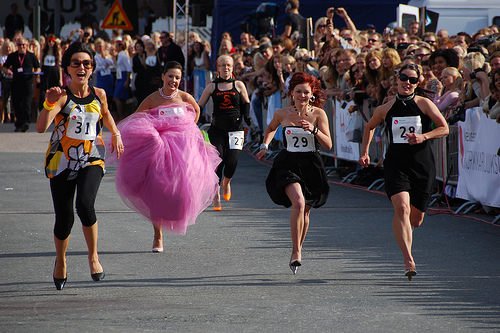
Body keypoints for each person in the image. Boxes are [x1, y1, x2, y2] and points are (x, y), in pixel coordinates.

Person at [35, 41, 124, 290]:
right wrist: (48, 103)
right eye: (76, 63)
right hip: (61, 161)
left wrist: (115, 133)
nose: (81, 67)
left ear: (92, 68)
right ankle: (61, 261)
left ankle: (93, 256)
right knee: (64, 220)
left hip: (91, 157)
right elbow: (41, 127)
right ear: (68, 69)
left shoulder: (100, 94)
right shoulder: (62, 97)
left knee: (85, 205)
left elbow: (105, 114)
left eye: (86, 63)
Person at [109, 61, 221, 253]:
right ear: (163, 77)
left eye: (177, 78)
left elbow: (196, 111)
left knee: (181, 191)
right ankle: (157, 235)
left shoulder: (185, 97)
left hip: (182, 154)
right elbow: (136, 119)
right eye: (170, 76)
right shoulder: (152, 99)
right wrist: (154, 134)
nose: (174, 81)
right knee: (157, 192)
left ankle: (174, 216)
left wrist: (187, 129)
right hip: (159, 153)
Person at [358, 63, 449, 280]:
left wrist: (424, 136)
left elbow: (444, 127)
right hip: (396, 164)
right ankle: (408, 259)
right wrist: (365, 152)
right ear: (396, 79)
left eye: (413, 80)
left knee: (415, 220)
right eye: (404, 78)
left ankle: (406, 238)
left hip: (422, 165)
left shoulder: (424, 104)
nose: (407, 83)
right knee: (401, 209)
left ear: (418, 83)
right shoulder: (387, 108)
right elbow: (369, 127)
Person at [256, 72, 331, 274]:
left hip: (311, 164)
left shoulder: (318, 114)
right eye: (298, 91)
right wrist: (265, 145)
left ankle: (299, 247)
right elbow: (271, 128)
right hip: (288, 162)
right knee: (298, 202)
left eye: (306, 92)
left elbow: (329, 144)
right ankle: (296, 251)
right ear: (291, 93)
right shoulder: (282, 113)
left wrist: (314, 131)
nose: (302, 95)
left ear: (312, 94)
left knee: (305, 210)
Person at [198, 55, 251, 211]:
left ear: (232, 68)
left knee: (232, 161)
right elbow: (199, 106)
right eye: (222, 65)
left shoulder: (239, 85)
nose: (226, 68)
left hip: (236, 129)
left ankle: (226, 182)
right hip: (217, 129)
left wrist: (247, 117)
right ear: (218, 68)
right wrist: (193, 120)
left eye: (228, 65)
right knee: (218, 161)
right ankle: (216, 195)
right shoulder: (212, 87)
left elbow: (246, 103)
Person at [2, 37, 41, 132]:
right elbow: (5, 67)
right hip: (16, 83)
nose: (22, 47)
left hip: (28, 84)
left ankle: (26, 122)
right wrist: (7, 71)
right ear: (16, 45)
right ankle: (19, 123)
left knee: (26, 104)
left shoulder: (31, 56)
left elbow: (38, 67)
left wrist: (37, 73)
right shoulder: (12, 56)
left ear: (26, 45)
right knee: (16, 104)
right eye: (19, 45)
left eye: (24, 45)